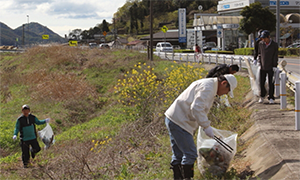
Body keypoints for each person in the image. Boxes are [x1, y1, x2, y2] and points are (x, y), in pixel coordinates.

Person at [165, 74, 237, 180]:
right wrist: (206, 126)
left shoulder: (209, 85)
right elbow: (196, 108)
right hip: (180, 122)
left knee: (178, 154)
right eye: (227, 91)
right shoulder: (208, 87)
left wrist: (204, 125)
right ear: (224, 83)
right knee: (190, 154)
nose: (224, 94)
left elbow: (199, 108)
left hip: (174, 118)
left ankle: (178, 177)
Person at [257, 30, 278, 104]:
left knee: (271, 83)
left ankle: (271, 97)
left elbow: (275, 56)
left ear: (268, 37)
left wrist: (274, 66)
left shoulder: (274, 45)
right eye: (262, 38)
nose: (263, 40)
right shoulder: (261, 44)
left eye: (264, 38)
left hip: (271, 67)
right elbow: (259, 54)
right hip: (262, 66)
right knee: (261, 82)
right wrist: (259, 62)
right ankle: (262, 96)